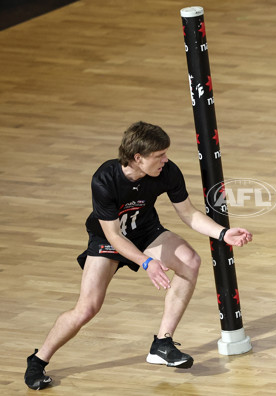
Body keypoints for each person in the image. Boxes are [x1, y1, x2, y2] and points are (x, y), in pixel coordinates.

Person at [24, 121, 252, 390]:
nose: (165, 160)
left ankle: (162, 344)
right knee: (87, 308)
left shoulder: (167, 172)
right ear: (137, 158)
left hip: (145, 231)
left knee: (190, 261)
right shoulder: (105, 179)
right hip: (108, 240)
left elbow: (189, 214)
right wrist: (146, 262)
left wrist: (223, 233)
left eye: (165, 154)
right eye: (159, 156)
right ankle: (38, 360)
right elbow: (114, 236)